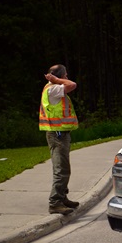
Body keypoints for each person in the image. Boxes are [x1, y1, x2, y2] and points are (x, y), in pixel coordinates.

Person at [39, 64, 79, 215]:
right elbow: (73, 85)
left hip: (59, 134)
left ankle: (62, 198)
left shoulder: (52, 88)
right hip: (57, 135)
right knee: (61, 170)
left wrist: (57, 79)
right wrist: (57, 80)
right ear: (59, 76)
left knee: (64, 168)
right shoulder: (53, 89)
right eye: (65, 75)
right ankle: (55, 203)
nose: (67, 78)